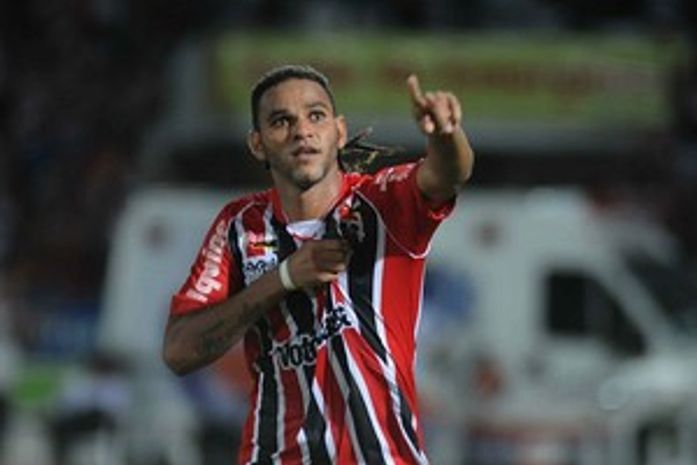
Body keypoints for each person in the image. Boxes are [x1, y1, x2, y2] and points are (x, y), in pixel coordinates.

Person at [162, 64, 474, 464]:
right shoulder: (239, 227)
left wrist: (446, 135)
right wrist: (283, 278)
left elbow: (448, 175)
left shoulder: (383, 204)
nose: (301, 131)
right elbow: (179, 350)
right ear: (258, 144)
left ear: (339, 131)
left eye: (315, 115)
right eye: (281, 121)